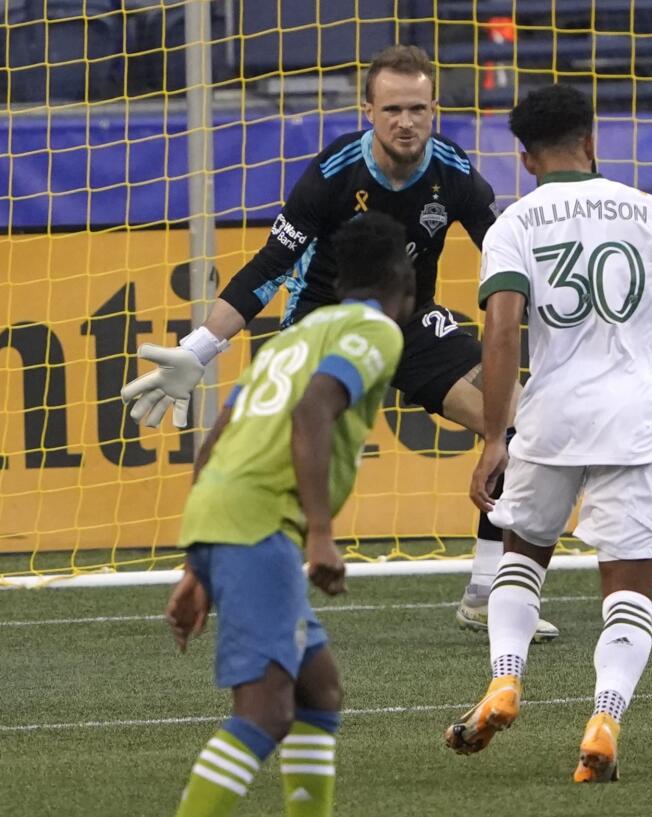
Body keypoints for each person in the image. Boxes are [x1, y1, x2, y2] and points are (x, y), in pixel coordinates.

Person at [122, 44, 558, 642]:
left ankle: (488, 593)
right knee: (260, 454)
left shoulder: (453, 174)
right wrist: (199, 349)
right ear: (368, 111)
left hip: (406, 321)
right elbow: (269, 266)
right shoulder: (333, 173)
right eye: (392, 109)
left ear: (435, 110)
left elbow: (509, 256)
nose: (406, 121)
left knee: (521, 421)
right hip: (323, 323)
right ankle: (209, 574)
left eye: (418, 109)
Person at [443, 84, 652, 783]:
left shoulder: (515, 224)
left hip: (553, 417)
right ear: (592, 143)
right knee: (628, 587)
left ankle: (505, 679)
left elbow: (500, 330)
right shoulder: (649, 213)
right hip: (639, 422)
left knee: (522, 556)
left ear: (524, 159)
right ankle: (605, 719)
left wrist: (495, 434)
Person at [164, 211, 415, 817]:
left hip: (222, 510)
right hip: (260, 524)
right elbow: (312, 412)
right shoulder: (378, 331)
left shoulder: (295, 334)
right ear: (404, 281)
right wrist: (321, 537)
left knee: (318, 690)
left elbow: (220, 432)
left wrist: (198, 568)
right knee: (266, 711)